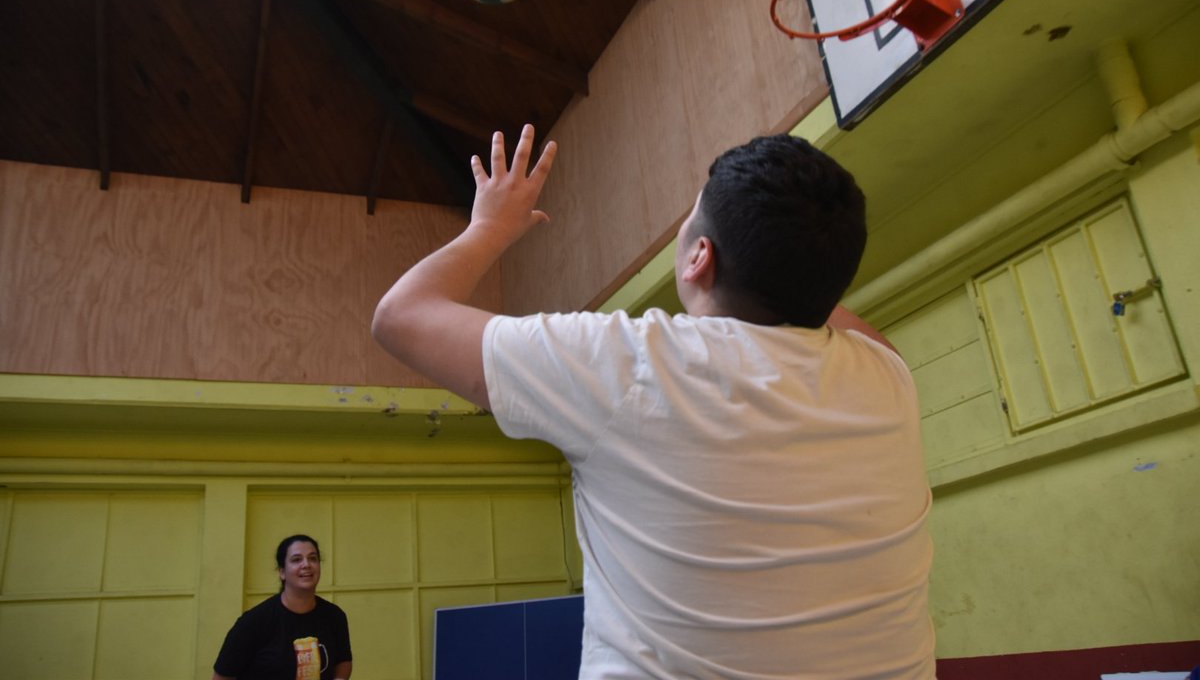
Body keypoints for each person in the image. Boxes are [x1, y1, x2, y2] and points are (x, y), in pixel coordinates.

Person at [372, 124, 935, 679]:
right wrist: (795, 255)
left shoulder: (631, 366)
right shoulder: (886, 376)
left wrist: (490, 226)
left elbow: (401, 316)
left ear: (699, 258)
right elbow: (813, 298)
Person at [213, 534, 352, 680]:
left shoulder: (334, 616)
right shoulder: (253, 622)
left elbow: (343, 661)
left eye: (313, 558)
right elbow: (221, 676)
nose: (306, 564)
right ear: (282, 572)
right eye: (296, 559)